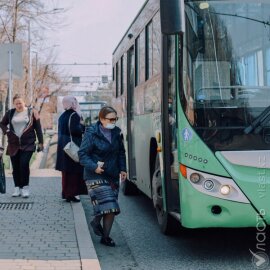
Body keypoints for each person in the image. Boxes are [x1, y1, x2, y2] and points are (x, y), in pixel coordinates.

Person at [78, 106, 127, 247]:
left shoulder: (117, 132)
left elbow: (121, 152)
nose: (113, 122)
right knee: (110, 205)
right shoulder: (91, 132)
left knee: (109, 207)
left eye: (115, 119)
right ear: (101, 119)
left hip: (112, 175)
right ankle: (99, 226)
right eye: (110, 119)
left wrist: (123, 168)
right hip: (94, 175)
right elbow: (82, 154)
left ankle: (105, 236)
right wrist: (94, 166)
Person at [0, 94, 44, 198]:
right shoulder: (10, 113)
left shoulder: (32, 112)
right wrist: (7, 131)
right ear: (14, 104)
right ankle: (17, 188)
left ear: (24, 102)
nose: (18, 105)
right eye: (16, 103)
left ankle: (25, 188)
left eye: (20, 103)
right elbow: (2, 123)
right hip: (13, 144)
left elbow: (38, 128)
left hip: (28, 144)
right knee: (15, 167)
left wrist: (41, 142)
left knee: (24, 165)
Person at [55, 96, 88, 202]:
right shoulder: (74, 115)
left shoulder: (62, 116)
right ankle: (73, 194)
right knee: (74, 171)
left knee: (66, 172)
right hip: (73, 146)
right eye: (75, 102)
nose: (76, 103)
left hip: (63, 147)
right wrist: (83, 127)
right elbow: (75, 130)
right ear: (73, 103)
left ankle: (66, 194)